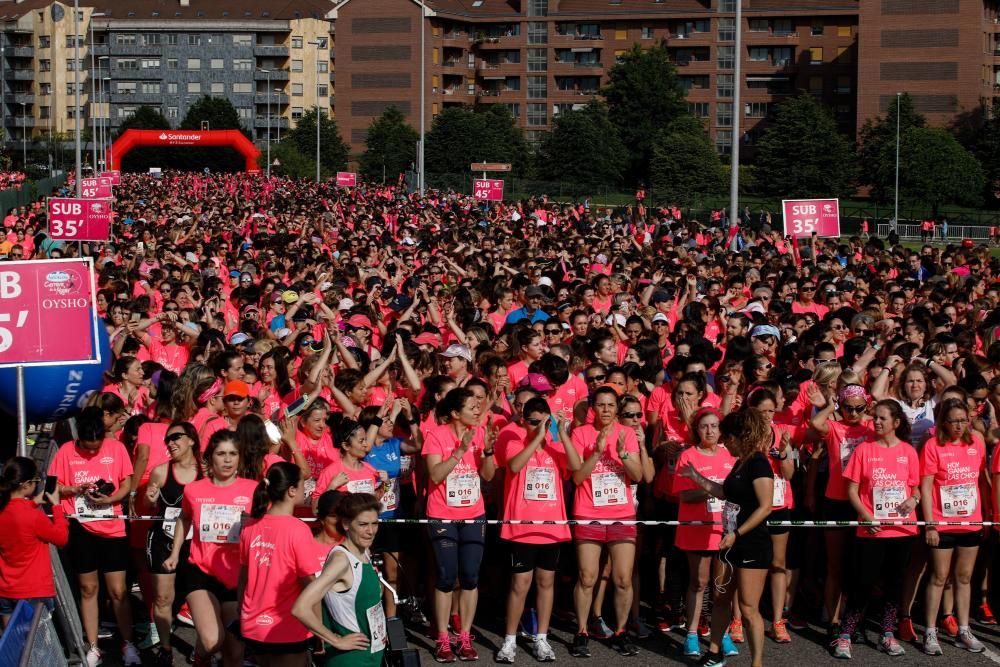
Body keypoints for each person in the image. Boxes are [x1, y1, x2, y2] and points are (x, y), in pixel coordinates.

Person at [680, 409, 774, 667]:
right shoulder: (739, 462)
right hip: (728, 541)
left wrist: (737, 533)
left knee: (747, 607)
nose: (723, 442)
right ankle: (713, 653)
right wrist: (696, 477)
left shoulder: (758, 463)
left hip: (751, 543)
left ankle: (757, 663)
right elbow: (725, 492)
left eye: (727, 437)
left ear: (739, 436)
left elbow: (765, 507)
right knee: (720, 597)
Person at [48, 405, 140, 667]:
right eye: (86, 448)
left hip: (112, 526)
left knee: (118, 590)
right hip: (80, 527)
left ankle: (128, 643)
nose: (91, 452)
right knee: (88, 588)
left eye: (96, 447)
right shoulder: (66, 451)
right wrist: (75, 488)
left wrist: (110, 498)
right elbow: (52, 487)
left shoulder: (116, 448)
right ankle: (93, 646)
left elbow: (126, 483)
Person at [496, 397, 582, 663]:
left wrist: (561, 433)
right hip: (522, 526)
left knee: (546, 583)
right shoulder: (514, 442)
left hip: (551, 527)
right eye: (533, 421)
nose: (539, 426)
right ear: (524, 420)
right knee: (520, 584)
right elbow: (514, 466)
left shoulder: (557, 448)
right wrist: (537, 436)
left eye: (544, 421)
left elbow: (577, 468)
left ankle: (542, 638)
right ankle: (510, 640)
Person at [163, 430, 258, 667]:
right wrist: (175, 553)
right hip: (201, 571)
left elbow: (267, 527)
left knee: (235, 655)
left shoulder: (253, 490)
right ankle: (200, 657)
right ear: (210, 458)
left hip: (238, 576)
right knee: (212, 640)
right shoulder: (194, 490)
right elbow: (184, 519)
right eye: (221, 454)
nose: (227, 460)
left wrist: (254, 524)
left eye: (233, 454)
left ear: (240, 458)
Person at [834, 399, 920, 659]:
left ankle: (887, 634)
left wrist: (913, 499)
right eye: (876, 418)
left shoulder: (908, 451)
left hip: (902, 530)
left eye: (883, 418)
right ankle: (845, 635)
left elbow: (915, 487)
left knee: (894, 585)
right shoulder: (864, 451)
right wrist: (865, 516)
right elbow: (851, 490)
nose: (877, 422)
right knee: (862, 583)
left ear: (896, 423)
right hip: (871, 530)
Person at [422, 387, 498, 662]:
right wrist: (460, 450)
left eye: (479, 406)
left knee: (470, 576)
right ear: (455, 413)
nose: (478, 410)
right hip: (443, 514)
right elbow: (435, 474)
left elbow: (488, 475)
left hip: (473, 514)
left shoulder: (480, 433)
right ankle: (443, 637)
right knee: (445, 576)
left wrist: (487, 450)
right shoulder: (436, 436)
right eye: (471, 407)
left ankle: (464, 636)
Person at [569, 385, 643, 658]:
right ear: (593, 408)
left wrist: (623, 455)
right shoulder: (580, 434)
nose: (607, 410)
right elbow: (577, 478)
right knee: (587, 577)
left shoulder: (627, 434)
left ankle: (621, 631)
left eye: (611, 405)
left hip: (621, 514)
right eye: (601, 405)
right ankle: (582, 631)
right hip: (589, 512)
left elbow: (637, 476)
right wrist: (598, 452)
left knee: (623, 578)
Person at [920, 398, 987, 654]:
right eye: (953, 421)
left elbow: (982, 481)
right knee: (938, 577)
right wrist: (930, 525)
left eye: (963, 420)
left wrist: (987, 516)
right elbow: (926, 488)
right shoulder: (932, 446)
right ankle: (930, 631)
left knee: (965, 577)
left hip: (971, 521)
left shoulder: (976, 443)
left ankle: (963, 630)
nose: (959, 426)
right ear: (943, 422)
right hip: (943, 523)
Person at [292, 493, 386, 667]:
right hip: (350, 660)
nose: (370, 531)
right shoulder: (341, 561)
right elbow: (300, 608)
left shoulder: (363, 550)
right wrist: (335, 640)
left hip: (371, 655)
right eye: (363, 524)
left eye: (375, 524)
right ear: (346, 524)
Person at [672, 408, 737, 658]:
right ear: (696, 430)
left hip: (725, 528)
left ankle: (722, 635)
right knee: (698, 582)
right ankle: (691, 634)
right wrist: (713, 489)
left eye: (714, 425)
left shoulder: (730, 454)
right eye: (704, 426)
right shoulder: (687, 456)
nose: (710, 431)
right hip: (697, 528)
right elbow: (685, 495)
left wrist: (717, 489)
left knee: (722, 586)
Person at [239, 462, 316, 667]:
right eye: (302, 484)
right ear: (291, 490)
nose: (305, 489)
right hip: (286, 626)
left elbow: (243, 580)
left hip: (252, 626)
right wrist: (320, 631)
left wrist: (242, 615)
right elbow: (310, 584)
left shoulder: (250, 526)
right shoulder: (299, 529)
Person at [144, 421, 203, 667]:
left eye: (176, 437)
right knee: (163, 599)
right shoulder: (160, 471)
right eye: (167, 439)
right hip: (163, 540)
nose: (171, 443)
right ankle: (166, 648)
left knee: (201, 599)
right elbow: (148, 506)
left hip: (196, 542)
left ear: (191, 439)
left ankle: (200, 649)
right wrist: (149, 499)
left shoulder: (205, 471)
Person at [0, 456, 67, 627]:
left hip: (6, 589)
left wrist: (33, 503)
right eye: (36, 481)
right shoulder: (34, 517)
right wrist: (57, 508)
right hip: (33, 590)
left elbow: (17, 514)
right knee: (37, 649)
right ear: (26, 484)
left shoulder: (4, 510)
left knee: (14, 646)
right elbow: (61, 538)